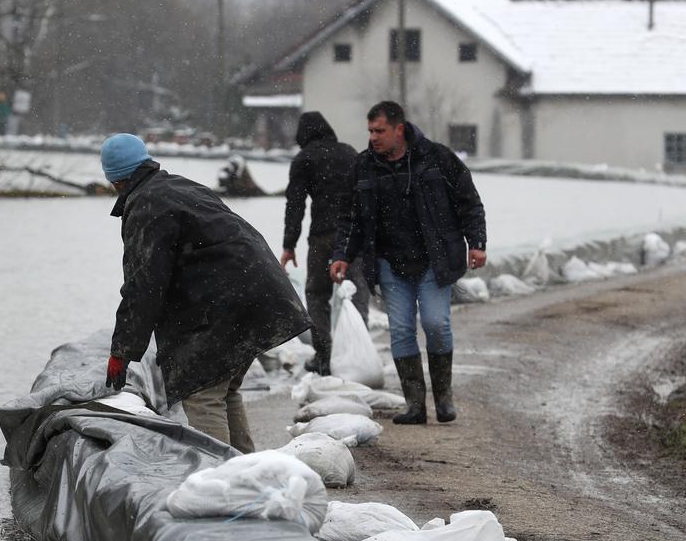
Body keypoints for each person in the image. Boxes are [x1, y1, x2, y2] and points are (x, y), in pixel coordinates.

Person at [100, 133, 311, 453]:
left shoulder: (147, 204)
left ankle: (224, 487)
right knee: (224, 392)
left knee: (202, 395)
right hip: (259, 293)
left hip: (225, 304)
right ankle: (248, 475)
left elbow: (144, 285)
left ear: (115, 180)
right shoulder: (178, 186)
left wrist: (122, 351)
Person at [330, 101, 487, 425]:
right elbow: (350, 218)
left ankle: (443, 397)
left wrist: (477, 243)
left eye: (380, 131)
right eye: (370, 131)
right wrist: (341, 255)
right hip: (388, 262)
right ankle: (415, 405)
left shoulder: (437, 158)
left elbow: (469, 202)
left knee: (435, 323)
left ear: (399, 129)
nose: (373, 138)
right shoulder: (363, 167)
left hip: (434, 258)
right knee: (401, 329)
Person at [280, 110, 370, 375]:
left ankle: (325, 355)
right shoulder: (349, 152)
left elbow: (295, 205)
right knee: (357, 292)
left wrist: (289, 245)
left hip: (322, 236)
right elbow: (366, 194)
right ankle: (357, 353)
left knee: (317, 294)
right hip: (354, 234)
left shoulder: (303, 159)